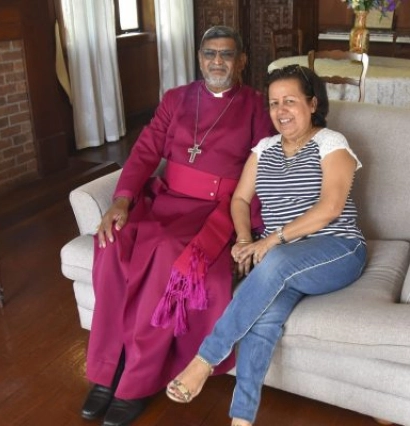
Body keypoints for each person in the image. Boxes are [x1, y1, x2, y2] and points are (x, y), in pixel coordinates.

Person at [81, 26, 275, 426]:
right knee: (111, 243)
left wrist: (250, 232)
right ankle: (108, 368)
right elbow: (147, 149)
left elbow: (265, 170)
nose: (216, 62)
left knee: (171, 255)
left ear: (241, 61)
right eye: (209, 54)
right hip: (165, 201)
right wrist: (121, 200)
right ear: (199, 57)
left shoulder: (257, 106)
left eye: (226, 54)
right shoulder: (176, 99)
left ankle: (137, 380)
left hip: (215, 212)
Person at [165, 65, 368, 426]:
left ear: (312, 103)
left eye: (290, 101)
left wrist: (270, 241)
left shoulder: (331, 143)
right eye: (274, 103)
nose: (281, 111)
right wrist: (245, 239)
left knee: (274, 262)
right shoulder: (264, 149)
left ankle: (205, 359)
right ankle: (242, 418)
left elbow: (331, 208)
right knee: (265, 317)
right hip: (284, 260)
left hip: (338, 249)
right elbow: (240, 200)